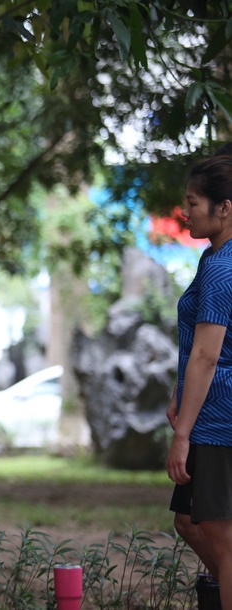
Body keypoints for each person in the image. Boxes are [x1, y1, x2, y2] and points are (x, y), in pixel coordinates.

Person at [166, 153, 232, 610]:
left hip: (217, 419)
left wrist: (183, 434)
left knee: (225, 547)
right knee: (188, 521)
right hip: (205, 410)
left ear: (224, 208)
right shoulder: (215, 258)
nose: (185, 211)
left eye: (193, 202)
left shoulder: (224, 269)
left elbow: (207, 356)